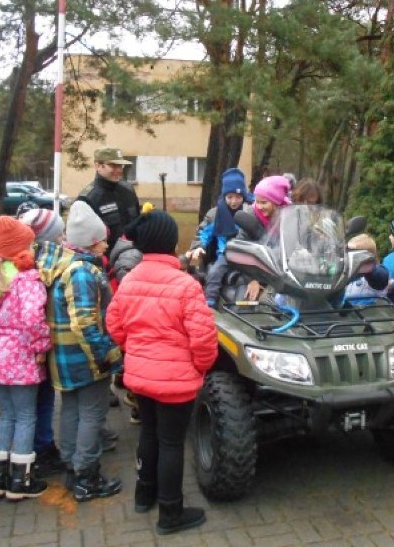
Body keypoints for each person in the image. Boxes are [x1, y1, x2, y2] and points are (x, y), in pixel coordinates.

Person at [106, 210, 218, 535]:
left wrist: (136, 350)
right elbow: (203, 339)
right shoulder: (186, 286)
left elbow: (113, 325)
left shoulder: (130, 281)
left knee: (149, 433)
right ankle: (170, 513)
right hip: (176, 381)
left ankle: (145, 494)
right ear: (171, 243)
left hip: (141, 376)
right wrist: (199, 366)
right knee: (171, 443)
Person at [37, 201, 124, 502]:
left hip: (64, 357)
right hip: (84, 359)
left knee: (72, 411)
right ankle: (86, 476)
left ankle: (72, 469)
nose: (107, 242)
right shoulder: (82, 272)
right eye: (102, 238)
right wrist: (105, 355)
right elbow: (85, 321)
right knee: (92, 414)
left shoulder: (60, 263)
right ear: (90, 241)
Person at [0, 216, 51, 501]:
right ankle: (21, 481)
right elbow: (33, 318)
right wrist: (41, 345)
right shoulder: (26, 279)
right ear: (21, 249)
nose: (32, 250)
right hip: (21, 356)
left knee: (6, 415)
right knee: (26, 416)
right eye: (30, 245)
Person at [15, 208, 72, 478]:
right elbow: (35, 313)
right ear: (46, 237)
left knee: (27, 405)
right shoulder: (40, 267)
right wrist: (41, 345)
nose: (63, 237)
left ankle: (30, 449)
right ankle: (41, 449)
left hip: (14, 349)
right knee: (41, 399)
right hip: (35, 347)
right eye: (59, 233)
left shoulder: (16, 263)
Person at [185, 167, 253, 307]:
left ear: (243, 196)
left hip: (247, 254)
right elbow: (204, 233)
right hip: (226, 254)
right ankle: (211, 298)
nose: (234, 201)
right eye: (230, 197)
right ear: (224, 196)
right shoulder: (216, 214)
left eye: (238, 197)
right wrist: (198, 247)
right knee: (216, 271)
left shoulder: (249, 212)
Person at [238, 175, 293, 300]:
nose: (259, 206)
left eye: (264, 202)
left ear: (276, 201)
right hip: (253, 270)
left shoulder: (290, 215)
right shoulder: (250, 216)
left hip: (281, 273)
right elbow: (241, 248)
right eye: (257, 202)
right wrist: (252, 280)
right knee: (249, 301)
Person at [78, 147, 140, 251]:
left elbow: (138, 224)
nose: (119, 170)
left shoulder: (128, 190)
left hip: (133, 257)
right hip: (106, 262)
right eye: (113, 165)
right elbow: (83, 242)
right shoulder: (88, 198)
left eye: (120, 165)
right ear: (98, 166)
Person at [343, 233, 390, 305]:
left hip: (367, 312)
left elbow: (381, 277)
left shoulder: (375, 274)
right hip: (346, 311)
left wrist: (369, 268)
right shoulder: (348, 270)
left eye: (355, 255)